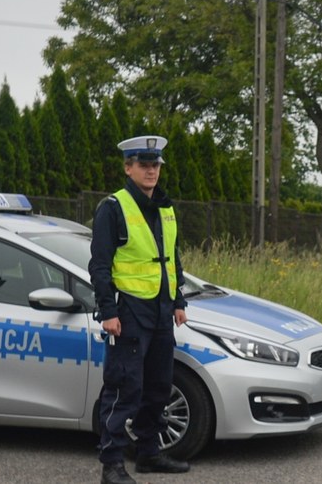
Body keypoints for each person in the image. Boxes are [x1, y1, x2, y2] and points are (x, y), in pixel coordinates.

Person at [90, 135, 192, 484]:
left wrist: (178, 299)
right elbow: (100, 265)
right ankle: (112, 464)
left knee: (159, 387)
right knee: (124, 388)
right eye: (144, 164)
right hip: (129, 312)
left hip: (162, 312)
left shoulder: (165, 206)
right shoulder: (113, 207)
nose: (151, 171)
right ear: (128, 167)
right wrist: (108, 312)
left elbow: (172, 259)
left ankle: (148, 453)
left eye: (156, 165)